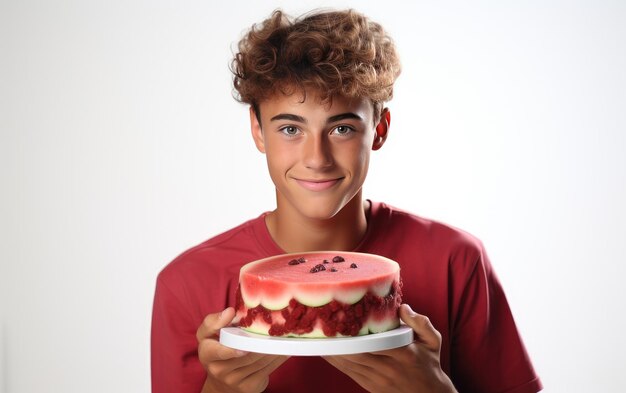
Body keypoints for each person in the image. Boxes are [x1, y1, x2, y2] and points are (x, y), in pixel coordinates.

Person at [151, 8, 542, 393]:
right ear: (257, 130)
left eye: (341, 128)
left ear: (379, 130)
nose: (316, 159)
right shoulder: (186, 283)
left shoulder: (456, 260)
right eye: (290, 128)